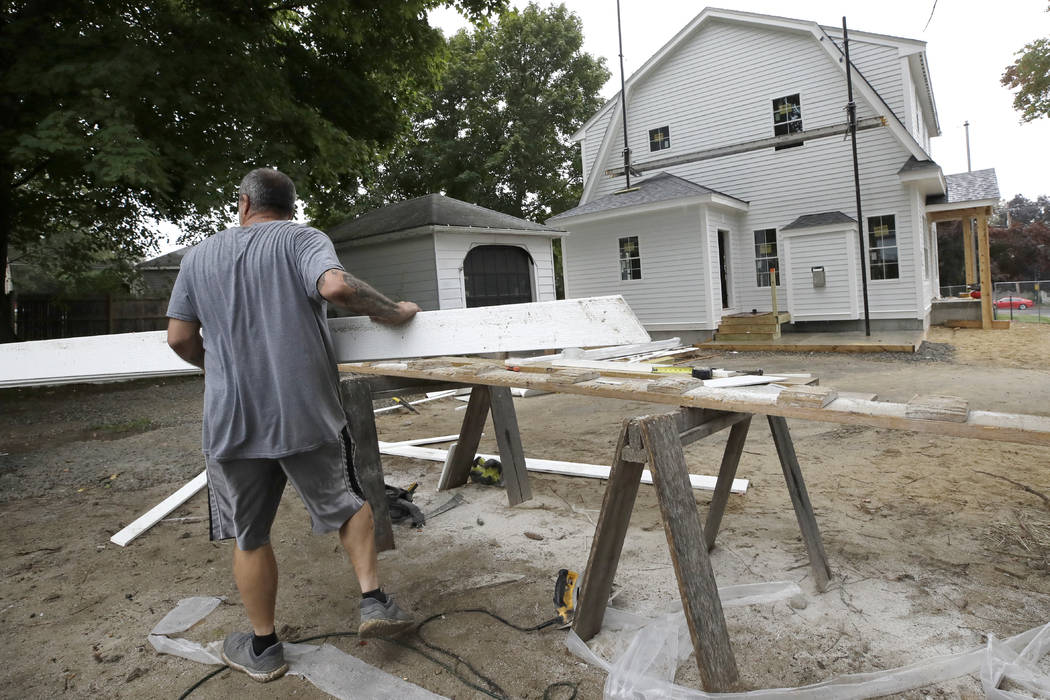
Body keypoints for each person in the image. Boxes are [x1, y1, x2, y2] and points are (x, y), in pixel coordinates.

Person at [165, 167, 420, 683]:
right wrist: (395, 311)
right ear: (290, 206)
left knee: (249, 535)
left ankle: (263, 647)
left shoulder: (200, 256)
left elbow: (178, 338)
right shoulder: (303, 238)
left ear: (243, 204)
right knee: (346, 504)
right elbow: (336, 287)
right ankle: (373, 601)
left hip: (230, 422)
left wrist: (220, 372)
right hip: (303, 411)